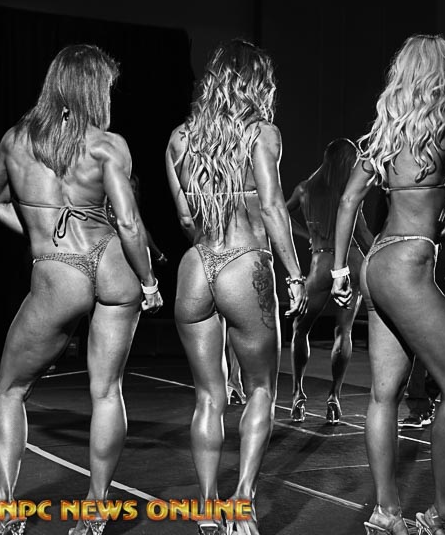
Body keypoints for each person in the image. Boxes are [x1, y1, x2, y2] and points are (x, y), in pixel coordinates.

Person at [0, 44, 163, 535]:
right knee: (106, 391)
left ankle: (7, 511)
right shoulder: (108, 145)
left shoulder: (15, 141)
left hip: (59, 274)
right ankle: (96, 510)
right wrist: (149, 282)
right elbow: (128, 223)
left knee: (11, 390)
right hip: (113, 266)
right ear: (92, 89)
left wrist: (43, 237)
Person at [330, 34, 445, 535]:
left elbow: (348, 200)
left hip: (376, 262)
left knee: (384, 395)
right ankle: (443, 517)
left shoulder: (386, 127)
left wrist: (340, 270)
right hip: (408, 263)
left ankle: (386, 512)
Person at [165, 40, 307, 535]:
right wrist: (294, 274)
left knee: (208, 397)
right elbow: (271, 206)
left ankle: (207, 508)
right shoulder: (262, 133)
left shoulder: (180, 138)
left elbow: (186, 218)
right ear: (257, 83)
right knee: (262, 388)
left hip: (196, 265)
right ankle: (242, 502)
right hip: (246, 264)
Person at [285, 138, 373, 424]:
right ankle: (334, 397)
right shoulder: (350, 191)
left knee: (300, 329)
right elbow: (362, 234)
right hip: (352, 261)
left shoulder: (305, 189)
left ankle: (298, 394)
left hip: (322, 262)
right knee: (343, 331)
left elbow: (280, 215)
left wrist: (307, 236)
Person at [400, 178, 445, 428]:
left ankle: (431, 394)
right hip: (408, 253)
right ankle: (418, 403)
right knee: (414, 331)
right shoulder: (402, 164)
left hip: (444, 259)